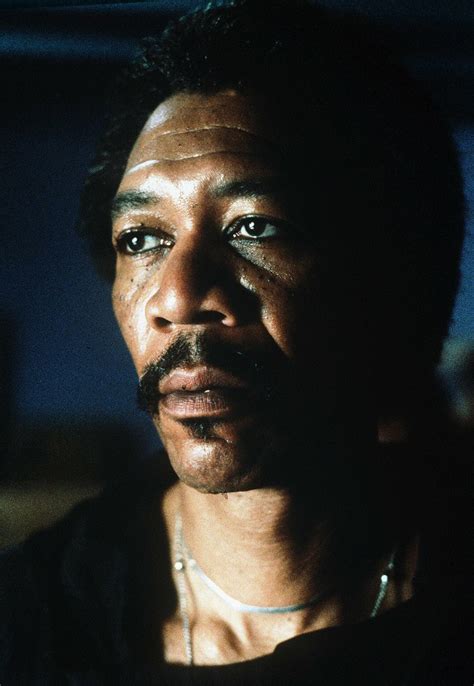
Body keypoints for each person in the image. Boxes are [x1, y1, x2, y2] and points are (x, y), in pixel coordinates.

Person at [0, 0, 469, 683]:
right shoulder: (32, 628)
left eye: (255, 227)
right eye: (143, 239)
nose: (178, 297)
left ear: (391, 276)